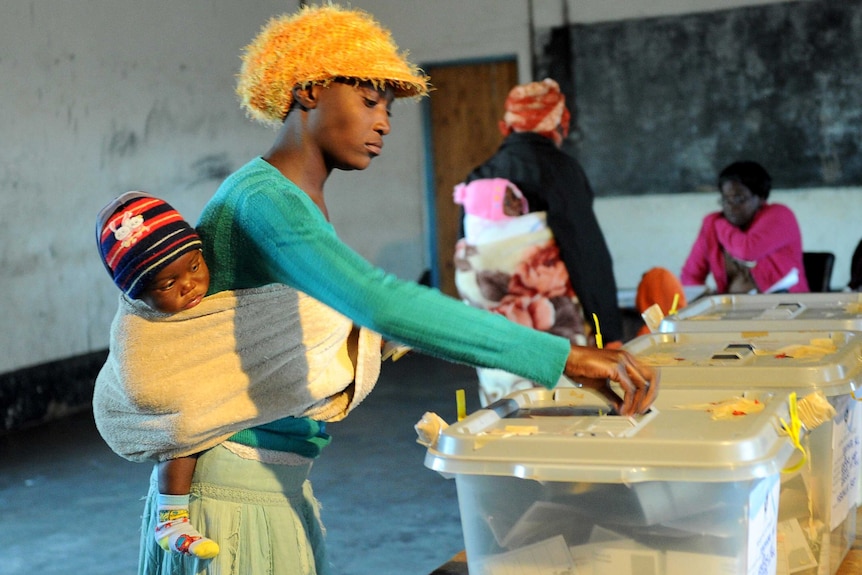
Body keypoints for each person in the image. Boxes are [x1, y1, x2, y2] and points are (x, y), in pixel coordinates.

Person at [104, 6, 657, 575]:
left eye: (389, 109)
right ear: (311, 90)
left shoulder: (290, 199)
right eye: (370, 101)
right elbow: (378, 302)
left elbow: (345, 321)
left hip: (273, 479)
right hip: (229, 496)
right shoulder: (262, 200)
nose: (386, 123)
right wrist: (562, 356)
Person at [95, 191, 219, 559]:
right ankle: (171, 519)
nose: (189, 285)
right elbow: (141, 384)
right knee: (180, 433)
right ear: (139, 294)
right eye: (167, 284)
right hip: (168, 411)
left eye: (195, 267)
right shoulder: (136, 326)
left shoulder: (216, 300)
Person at [462, 78, 625, 350]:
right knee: (564, 393)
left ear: (509, 126)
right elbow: (585, 252)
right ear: (558, 123)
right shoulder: (562, 170)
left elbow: (468, 256)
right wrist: (609, 332)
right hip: (555, 329)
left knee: (511, 393)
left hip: (496, 332)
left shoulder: (479, 176)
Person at [453, 177, 591, 404]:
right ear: (488, 208)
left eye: (517, 199)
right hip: (529, 353)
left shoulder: (470, 251)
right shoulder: (532, 239)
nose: (516, 205)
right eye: (507, 201)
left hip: (503, 360)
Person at [680, 160, 809, 294]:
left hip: (785, 307)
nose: (730, 206)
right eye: (725, 199)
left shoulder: (780, 215)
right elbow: (691, 275)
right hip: (731, 310)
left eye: (738, 199)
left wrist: (718, 224)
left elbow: (747, 251)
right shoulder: (711, 224)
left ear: (760, 197)